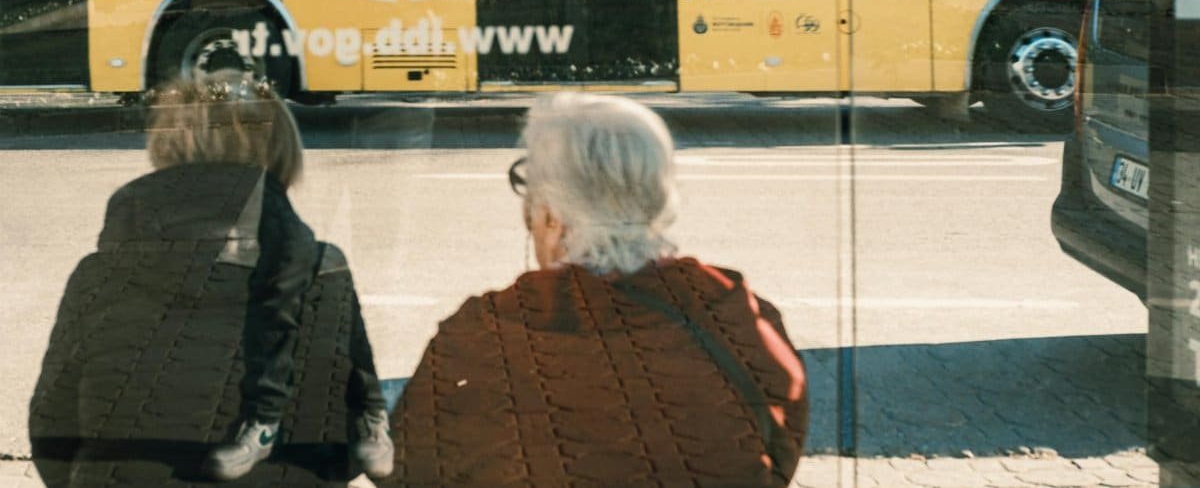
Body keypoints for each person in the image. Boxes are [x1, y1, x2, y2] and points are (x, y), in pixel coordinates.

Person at [386, 93, 809, 486]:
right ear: (658, 199)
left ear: (551, 213)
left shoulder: (483, 334)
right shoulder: (735, 312)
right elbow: (779, 446)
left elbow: (406, 463)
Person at [28, 70, 392, 487]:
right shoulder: (321, 274)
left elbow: (51, 429)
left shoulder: (98, 276)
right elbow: (340, 441)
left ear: (167, 150)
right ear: (279, 155)